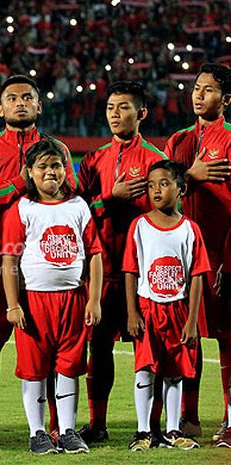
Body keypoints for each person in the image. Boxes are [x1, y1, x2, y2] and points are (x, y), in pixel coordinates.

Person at [0, 75, 77, 447]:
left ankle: (58, 426)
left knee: (54, 344)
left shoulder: (56, 148)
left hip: (48, 260)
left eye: (28, 97)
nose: (20, 102)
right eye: (12, 98)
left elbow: (71, 192)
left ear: (39, 106)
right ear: (0, 108)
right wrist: (19, 183)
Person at [76, 81, 167, 443]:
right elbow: (79, 212)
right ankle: (98, 424)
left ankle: (152, 426)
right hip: (102, 271)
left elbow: (167, 215)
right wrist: (107, 198)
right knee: (98, 349)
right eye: (111, 107)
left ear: (141, 113)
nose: (115, 113)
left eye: (124, 107)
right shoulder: (93, 159)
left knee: (150, 350)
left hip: (143, 275)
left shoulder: (155, 161)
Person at [2, 139, 103, 454]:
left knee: (69, 366)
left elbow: (95, 255)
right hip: (34, 302)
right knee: (34, 368)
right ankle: (38, 433)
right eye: (42, 166)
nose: (50, 172)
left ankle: (69, 430)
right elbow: (9, 261)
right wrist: (13, 304)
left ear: (65, 169)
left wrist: (94, 298)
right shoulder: (23, 208)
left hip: (73, 299)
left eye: (56, 165)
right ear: (29, 172)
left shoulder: (78, 207)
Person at [165, 63, 231, 446]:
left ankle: (229, 419)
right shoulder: (178, 141)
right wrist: (193, 174)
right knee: (184, 335)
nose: (199, 94)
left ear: (227, 99)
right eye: (196, 88)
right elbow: (166, 189)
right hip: (182, 257)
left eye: (208, 89)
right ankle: (187, 417)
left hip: (221, 256)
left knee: (226, 337)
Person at [123, 160, 209, 451]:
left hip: (178, 309)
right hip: (149, 308)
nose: (156, 190)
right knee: (144, 369)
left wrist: (192, 319)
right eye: (150, 185)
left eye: (163, 184)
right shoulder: (140, 226)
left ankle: (173, 430)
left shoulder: (190, 230)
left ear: (181, 188)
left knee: (174, 371)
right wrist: (133, 311)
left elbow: (197, 276)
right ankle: (143, 431)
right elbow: (130, 270)